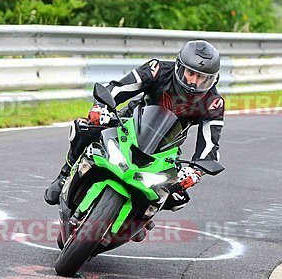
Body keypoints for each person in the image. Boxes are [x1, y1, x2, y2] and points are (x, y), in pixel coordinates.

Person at [44, 40, 225, 210]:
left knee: (177, 196)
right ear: (180, 67)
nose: (194, 81)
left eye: (202, 77)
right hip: (129, 121)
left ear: (212, 79)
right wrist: (101, 106)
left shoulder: (213, 102)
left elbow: (209, 143)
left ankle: (141, 218)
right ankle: (65, 175)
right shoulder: (158, 69)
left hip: (166, 146)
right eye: (191, 73)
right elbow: (120, 88)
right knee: (84, 128)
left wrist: (196, 171)